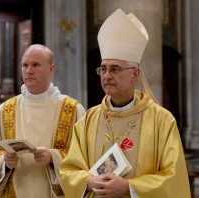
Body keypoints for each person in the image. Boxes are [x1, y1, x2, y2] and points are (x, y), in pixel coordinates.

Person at [59, 9, 190, 198]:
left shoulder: (161, 120)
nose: (107, 76)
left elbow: (174, 177)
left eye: (115, 69)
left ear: (135, 74)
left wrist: (129, 187)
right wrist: (88, 181)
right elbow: (69, 169)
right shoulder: (88, 120)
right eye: (103, 69)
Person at [0, 44, 86, 198]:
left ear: (51, 69)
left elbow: (85, 155)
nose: (29, 71)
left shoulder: (72, 109)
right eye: (25, 65)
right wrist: (3, 163)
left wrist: (53, 157)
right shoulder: (6, 110)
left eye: (36, 65)